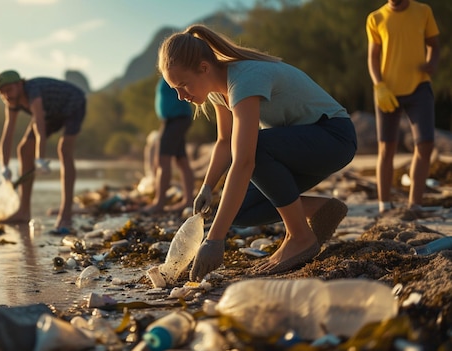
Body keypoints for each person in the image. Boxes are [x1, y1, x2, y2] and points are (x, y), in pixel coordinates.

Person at [157, 24, 357, 281]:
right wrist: (207, 186)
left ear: (204, 68)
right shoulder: (219, 92)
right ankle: (321, 209)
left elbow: (244, 161)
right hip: (303, 147)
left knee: (256, 147)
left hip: (334, 138)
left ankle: (299, 237)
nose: (181, 96)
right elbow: (224, 141)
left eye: (183, 85)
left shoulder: (245, 79)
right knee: (236, 212)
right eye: (175, 89)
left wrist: (214, 239)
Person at [0, 70, 86, 234]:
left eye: (9, 89)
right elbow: (8, 133)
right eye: (2, 92)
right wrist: (4, 167)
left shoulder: (33, 91)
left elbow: (40, 125)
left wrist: (40, 159)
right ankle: (24, 211)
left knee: (64, 149)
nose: (6, 95)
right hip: (50, 113)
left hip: (73, 104)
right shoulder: (11, 102)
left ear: (20, 85)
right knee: (24, 148)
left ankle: (66, 213)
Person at [366, 0, 440, 214]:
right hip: (387, 90)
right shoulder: (375, 18)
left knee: (425, 144)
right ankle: (384, 206)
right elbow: (373, 56)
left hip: (420, 87)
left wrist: (432, 62)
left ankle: (414, 204)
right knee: (386, 148)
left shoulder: (424, 11)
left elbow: (434, 45)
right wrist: (378, 84)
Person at [141, 77, 195, 214]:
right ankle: (188, 201)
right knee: (181, 160)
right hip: (172, 120)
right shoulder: (167, 74)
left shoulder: (174, 72)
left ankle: (159, 203)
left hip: (176, 119)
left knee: (162, 161)